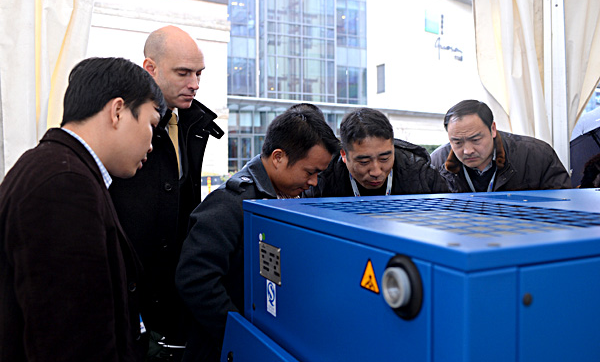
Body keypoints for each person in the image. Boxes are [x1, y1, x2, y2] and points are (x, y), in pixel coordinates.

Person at [0, 57, 166, 361]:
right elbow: (72, 341)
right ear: (117, 111)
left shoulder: (54, 166)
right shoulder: (64, 185)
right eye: (151, 125)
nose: (152, 144)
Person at [175, 105, 340, 361]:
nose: (314, 182)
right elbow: (195, 279)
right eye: (310, 172)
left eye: (319, 174)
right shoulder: (229, 204)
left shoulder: (297, 196)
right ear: (278, 157)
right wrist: (242, 338)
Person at [109, 26, 223, 359]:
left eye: (199, 74)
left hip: (173, 299)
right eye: (184, 73)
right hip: (127, 300)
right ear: (150, 69)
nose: (195, 84)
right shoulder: (117, 126)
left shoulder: (191, 122)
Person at [431, 99, 571, 192]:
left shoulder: (536, 155)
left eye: (476, 140)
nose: (468, 151)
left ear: (492, 129)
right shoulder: (435, 164)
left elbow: (563, 204)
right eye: (457, 142)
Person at [304, 107, 448, 197]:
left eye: (384, 159)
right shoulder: (322, 180)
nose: (376, 171)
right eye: (364, 162)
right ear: (344, 155)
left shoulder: (420, 173)